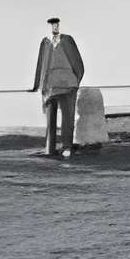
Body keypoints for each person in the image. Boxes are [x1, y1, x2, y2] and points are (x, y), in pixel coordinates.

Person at [30, 14, 85, 159]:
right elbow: (41, 64)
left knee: (68, 118)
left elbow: (78, 63)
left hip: (68, 85)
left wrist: (76, 81)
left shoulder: (67, 40)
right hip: (49, 86)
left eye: (56, 25)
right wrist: (37, 85)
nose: (54, 27)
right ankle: (50, 148)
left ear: (58, 26)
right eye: (52, 25)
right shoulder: (45, 42)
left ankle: (67, 148)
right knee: (50, 119)